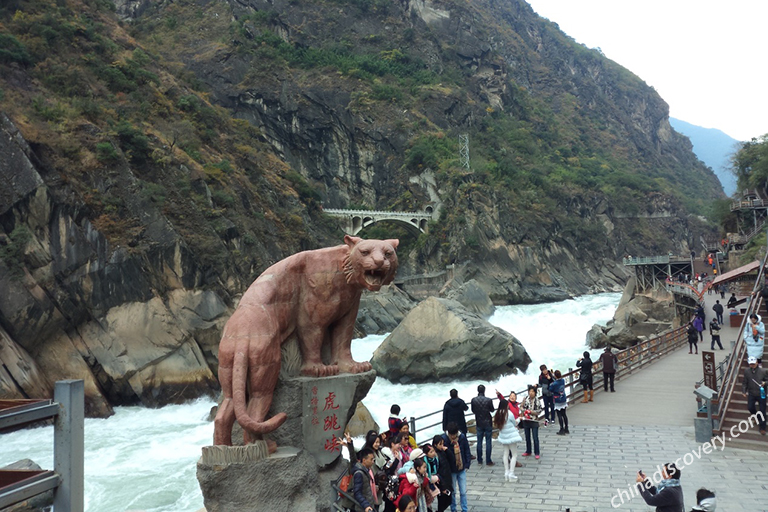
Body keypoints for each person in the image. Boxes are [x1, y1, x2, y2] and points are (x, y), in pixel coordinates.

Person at [442, 423, 471, 512]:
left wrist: (467, 464)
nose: (453, 437)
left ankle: (464, 509)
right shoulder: (444, 439)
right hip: (451, 470)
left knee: (463, 491)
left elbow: (466, 450)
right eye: (451, 435)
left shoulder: (462, 437)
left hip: (461, 468)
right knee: (453, 491)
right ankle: (453, 509)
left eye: (454, 435)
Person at [493, 398, 522, 481]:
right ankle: (511, 473)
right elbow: (514, 423)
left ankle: (506, 472)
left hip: (503, 436)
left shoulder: (497, 414)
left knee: (505, 454)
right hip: (511, 436)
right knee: (514, 454)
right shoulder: (509, 413)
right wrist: (520, 419)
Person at [741, 356, 767, 435]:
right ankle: (757, 417)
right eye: (751, 364)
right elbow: (745, 382)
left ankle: (762, 428)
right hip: (752, 393)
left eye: (753, 364)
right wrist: (744, 391)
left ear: (756, 362)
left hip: (761, 393)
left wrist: (765, 383)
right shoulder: (747, 371)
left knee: (762, 411)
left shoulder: (763, 371)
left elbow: (767, 380)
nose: (752, 365)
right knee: (750, 407)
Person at [470, 384, 495, 466]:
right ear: (484, 390)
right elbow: (492, 410)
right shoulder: (488, 400)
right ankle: (488, 460)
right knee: (488, 441)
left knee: (479, 441)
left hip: (479, 422)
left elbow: (473, 410)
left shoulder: (473, 400)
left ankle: (479, 460)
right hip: (487, 421)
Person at [353, 447, 381, 512]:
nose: (373, 461)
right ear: (364, 460)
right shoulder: (359, 473)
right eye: (371, 459)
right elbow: (357, 492)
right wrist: (366, 505)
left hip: (369, 505)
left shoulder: (368, 470)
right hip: (363, 508)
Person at [431, 435, 454, 512]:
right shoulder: (435, 455)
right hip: (441, 480)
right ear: (435, 445)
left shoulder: (443, 452)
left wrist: (447, 450)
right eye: (440, 444)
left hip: (447, 478)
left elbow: (452, 459)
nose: (442, 446)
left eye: (442, 444)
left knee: (448, 500)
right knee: (442, 501)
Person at [520, 385, 542, 459]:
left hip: (534, 420)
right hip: (526, 420)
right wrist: (524, 411)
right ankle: (528, 451)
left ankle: (537, 452)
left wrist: (531, 412)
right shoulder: (525, 399)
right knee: (527, 437)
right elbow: (521, 407)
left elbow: (539, 411)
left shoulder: (537, 400)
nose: (531, 393)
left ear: (535, 393)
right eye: (530, 391)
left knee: (535, 437)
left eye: (532, 391)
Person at [550, 370, 569, 435]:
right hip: (563, 398)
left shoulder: (554, 384)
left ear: (555, 376)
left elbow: (550, 389)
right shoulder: (563, 380)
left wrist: (551, 380)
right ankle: (566, 428)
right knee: (564, 414)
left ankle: (561, 429)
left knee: (559, 415)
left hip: (557, 400)